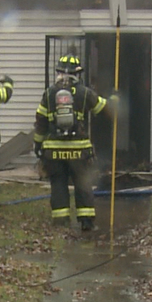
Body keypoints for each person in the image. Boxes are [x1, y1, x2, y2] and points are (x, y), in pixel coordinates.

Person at [33, 54, 109, 231]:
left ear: (58, 72)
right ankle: (86, 222)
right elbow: (101, 108)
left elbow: (40, 122)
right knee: (82, 183)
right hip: (79, 150)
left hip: (53, 151)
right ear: (78, 73)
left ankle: (61, 222)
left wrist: (38, 145)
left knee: (58, 183)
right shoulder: (84, 93)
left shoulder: (49, 93)